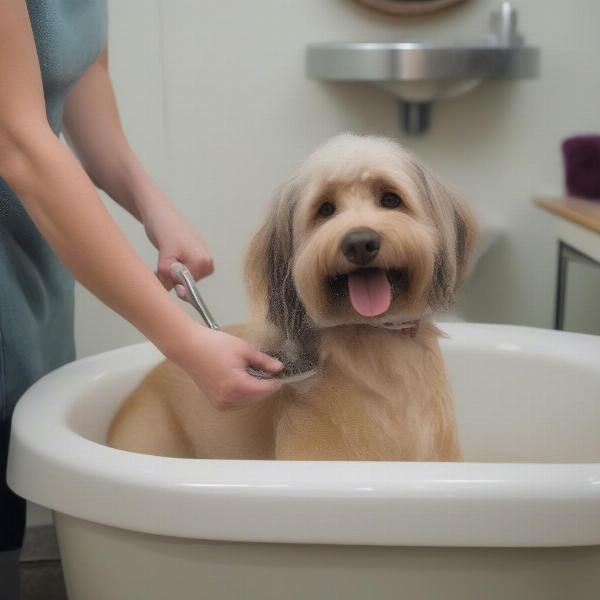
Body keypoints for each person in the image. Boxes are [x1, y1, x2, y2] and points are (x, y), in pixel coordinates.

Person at [0, 1, 282, 595]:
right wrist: (185, 343)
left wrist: (153, 207)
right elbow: (18, 143)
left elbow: (80, 76)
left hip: (27, 260)